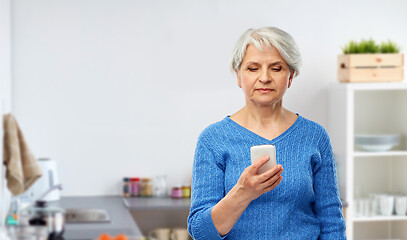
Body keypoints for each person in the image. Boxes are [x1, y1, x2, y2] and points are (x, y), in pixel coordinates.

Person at [187, 27, 346, 239]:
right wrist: (243, 192)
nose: (264, 77)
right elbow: (201, 231)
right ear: (238, 76)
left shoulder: (315, 136)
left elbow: (331, 221)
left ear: (291, 76)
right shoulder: (213, 140)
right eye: (253, 68)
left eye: (276, 68)